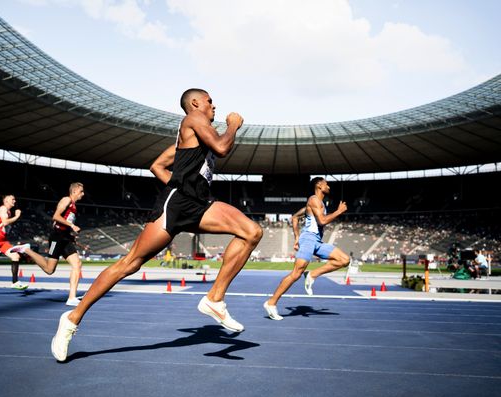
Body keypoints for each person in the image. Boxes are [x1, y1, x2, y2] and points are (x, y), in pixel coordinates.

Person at [49, 88, 263, 362]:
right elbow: (221, 148)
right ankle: (71, 319)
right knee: (130, 263)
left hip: (199, 204)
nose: (214, 106)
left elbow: (156, 166)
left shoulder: (195, 133)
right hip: (176, 206)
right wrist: (233, 125)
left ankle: (214, 299)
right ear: (195, 103)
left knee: (252, 231)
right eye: (209, 101)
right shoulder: (195, 119)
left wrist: (186, 186)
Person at [263, 177, 349, 320]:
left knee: (344, 260)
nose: (329, 186)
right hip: (309, 239)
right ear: (319, 185)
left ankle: (312, 274)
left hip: (317, 241)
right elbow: (321, 221)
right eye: (327, 184)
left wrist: (297, 237)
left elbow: (295, 217)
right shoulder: (314, 200)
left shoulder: (318, 203)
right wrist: (339, 211)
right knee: (296, 273)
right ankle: (271, 303)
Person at [10, 182, 85, 306]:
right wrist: (72, 226)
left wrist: (70, 236)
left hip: (64, 237)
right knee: (49, 270)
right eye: (81, 191)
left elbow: (62, 223)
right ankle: (27, 250)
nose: (83, 194)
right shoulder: (66, 200)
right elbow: (55, 216)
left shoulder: (74, 206)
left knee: (77, 264)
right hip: (57, 237)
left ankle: (71, 298)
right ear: (75, 191)